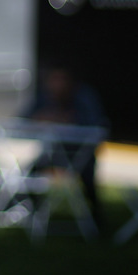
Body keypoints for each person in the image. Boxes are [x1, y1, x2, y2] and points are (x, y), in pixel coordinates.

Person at [21, 61, 109, 229]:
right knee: (28, 174)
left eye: (61, 80)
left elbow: (95, 127)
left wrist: (67, 119)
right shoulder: (45, 96)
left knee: (88, 181)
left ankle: (96, 221)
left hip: (81, 154)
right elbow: (24, 118)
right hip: (53, 153)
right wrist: (42, 116)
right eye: (53, 80)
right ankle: (33, 216)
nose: (56, 84)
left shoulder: (84, 96)